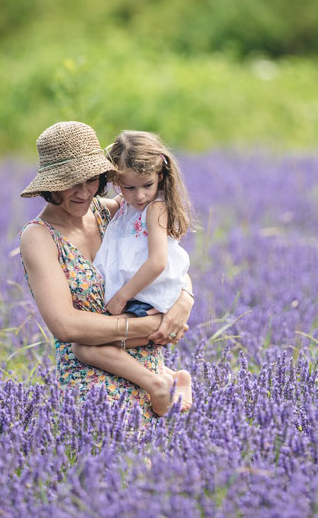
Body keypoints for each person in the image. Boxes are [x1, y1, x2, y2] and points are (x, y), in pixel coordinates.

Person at [19, 121, 194, 422]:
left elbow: (164, 256)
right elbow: (66, 327)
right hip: (88, 374)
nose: (84, 192)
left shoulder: (110, 212)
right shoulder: (39, 237)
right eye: (70, 183)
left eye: (91, 180)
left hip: (146, 365)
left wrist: (185, 298)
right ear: (50, 184)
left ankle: (164, 382)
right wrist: (148, 325)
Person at [72, 131, 194, 414]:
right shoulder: (125, 207)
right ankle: (170, 377)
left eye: (146, 185)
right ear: (116, 182)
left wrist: (120, 298)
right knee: (101, 347)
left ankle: (160, 383)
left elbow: (158, 262)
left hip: (146, 302)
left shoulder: (156, 208)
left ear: (161, 176)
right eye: (128, 188)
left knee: (85, 349)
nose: (138, 195)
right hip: (141, 301)